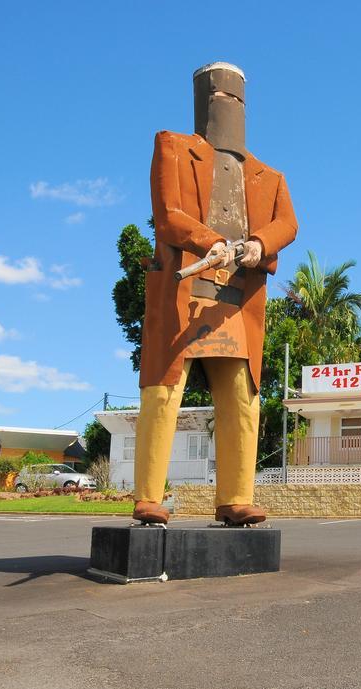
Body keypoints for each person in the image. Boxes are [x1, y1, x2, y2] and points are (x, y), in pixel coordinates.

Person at [132, 62, 297, 525]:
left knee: (242, 399)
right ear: (204, 99)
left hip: (237, 307)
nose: (229, 106)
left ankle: (235, 499)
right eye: (222, 97)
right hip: (185, 295)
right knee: (164, 393)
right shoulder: (173, 147)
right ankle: (148, 495)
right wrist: (215, 244)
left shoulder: (270, 176)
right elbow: (168, 215)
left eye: (237, 98)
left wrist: (256, 246)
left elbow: (287, 225)